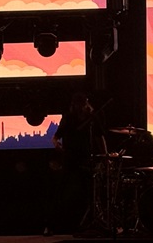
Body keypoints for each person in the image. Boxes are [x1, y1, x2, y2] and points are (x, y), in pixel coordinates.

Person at [47, 92, 107, 236]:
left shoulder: (92, 118)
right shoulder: (68, 118)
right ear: (74, 105)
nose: (81, 107)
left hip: (86, 159)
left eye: (83, 104)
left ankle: (89, 223)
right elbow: (56, 137)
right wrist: (57, 144)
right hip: (69, 158)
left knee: (89, 192)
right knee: (62, 191)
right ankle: (51, 225)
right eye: (78, 104)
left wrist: (105, 155)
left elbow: (100, 137)